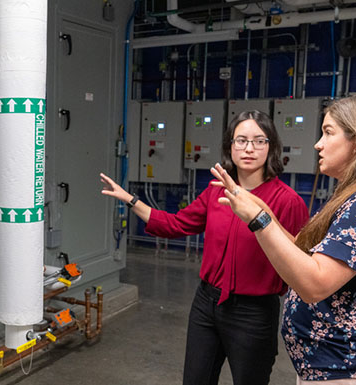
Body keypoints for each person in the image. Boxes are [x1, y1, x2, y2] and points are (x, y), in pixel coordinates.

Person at [210, 94, 356, 384]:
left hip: (353, 372)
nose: (318, 143)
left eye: (328, 133)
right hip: (330, 368)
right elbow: (305, 254)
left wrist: (259, 221)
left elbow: (315, 284)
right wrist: (262, 209)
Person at [100, 110, 309, 385]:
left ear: (271, 147)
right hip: (206, 305)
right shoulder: (215, 191)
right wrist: (131, 200)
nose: (249, 148)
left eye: (259, 141)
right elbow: (175, 225)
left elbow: (301, 261)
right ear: (229, 147)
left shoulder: (287, 201)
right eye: (241, 140)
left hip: (253, 312)